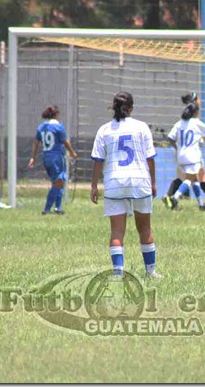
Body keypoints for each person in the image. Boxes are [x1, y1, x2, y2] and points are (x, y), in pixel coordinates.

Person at [90, 92, 161, 279]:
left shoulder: (104, 130)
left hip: (114, 182)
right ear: (131, 108)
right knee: (145, 228)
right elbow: (150, 158)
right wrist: (153, 182)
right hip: (139, 181)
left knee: (116, 230)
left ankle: (118, 273)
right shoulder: (141, 127)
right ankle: (151, 271)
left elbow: (98, 160)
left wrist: (94, 186)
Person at [162, 91, 205, 209]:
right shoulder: (196, 122)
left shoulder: (180, 123)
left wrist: (178, 148)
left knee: (195, 179)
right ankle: (173, 197)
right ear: (195, 107)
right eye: (198, 99)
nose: (200, 101)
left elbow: (170, 138)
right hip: (192, 155)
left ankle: (202, 204)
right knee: (189, 179)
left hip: (181, 154)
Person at [28, 105, 78, 215]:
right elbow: (65, 142)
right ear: (56, 115)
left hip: (46, 156)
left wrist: (33, 157)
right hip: (56, 157)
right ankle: (46, 209)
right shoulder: (58, 127)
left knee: (59, 181)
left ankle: (58, 207)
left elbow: (36, 142)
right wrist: (72, 152)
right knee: (57, 183)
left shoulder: (41, 127)